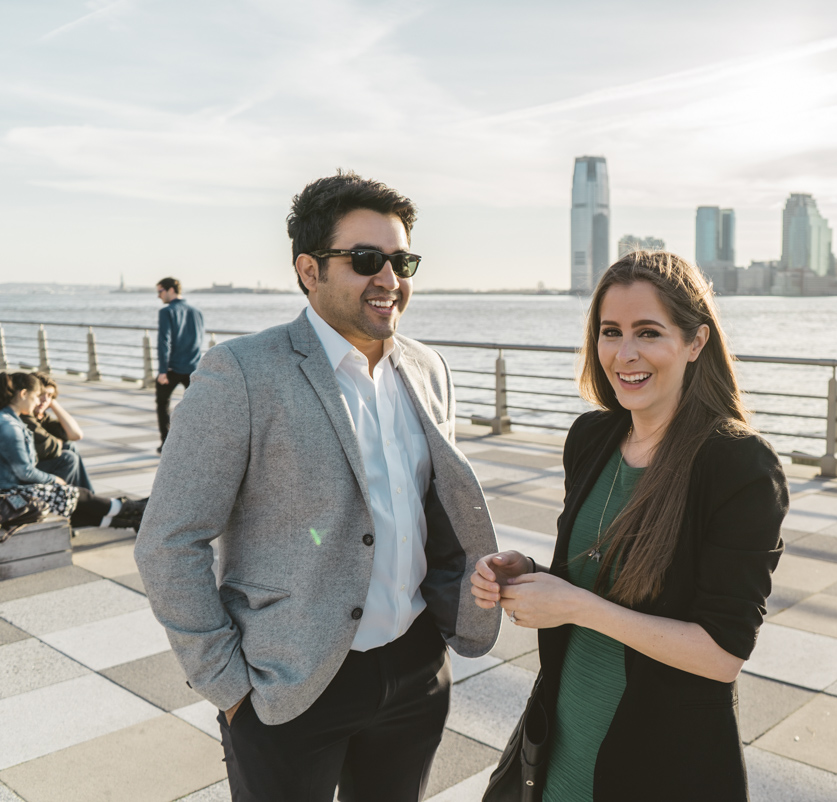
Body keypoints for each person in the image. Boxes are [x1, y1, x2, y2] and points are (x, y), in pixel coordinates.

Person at [134, 170, 501, 802]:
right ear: (309, 270)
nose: (389, 279)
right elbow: (168, 541)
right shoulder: (242, 373)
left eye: (401, 259)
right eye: (365, 260)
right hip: (288, 684)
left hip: (415, 668)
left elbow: (431, 516)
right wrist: (229, 686)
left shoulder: (428, 368)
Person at [471, 251, 788, 802]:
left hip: (659, 766)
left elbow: (722, 654)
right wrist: (528, 575)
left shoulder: (738, 466)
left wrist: (573, 606)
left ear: (695, 342)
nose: (625, 353)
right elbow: (602, 581)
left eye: (648, 332)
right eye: (610, 331)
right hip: (557, 751)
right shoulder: (591, 438)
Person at [1, 372, 145, 531]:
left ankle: (132, 518)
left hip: (13, 488)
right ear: (23, 394)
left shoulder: (11, 420)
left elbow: (74, 435)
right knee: (70, 496)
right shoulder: (10, 426)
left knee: (70, 497)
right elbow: (25, 472)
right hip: (11, 493)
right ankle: (136, 511)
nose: (37, 401)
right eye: (36, 396)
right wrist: (54, 479)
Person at [155, 276, 205, 451]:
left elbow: (164, 341)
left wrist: (162, 371)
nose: (158, 296)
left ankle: (166, 443)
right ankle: (197, 442)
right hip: (194, 367)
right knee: (197, 407)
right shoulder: (197, 312)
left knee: (163, 405)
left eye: (160, 291)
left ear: (171, 290)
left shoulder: (166, 312)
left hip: (172, 368)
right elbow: (200, 340)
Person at [21, 372, 93, 491]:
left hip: (31, 466)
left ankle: (86, 496)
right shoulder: (24, 416)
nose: (44, 399)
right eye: (41, 394)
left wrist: (53, 403)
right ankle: (81, 498)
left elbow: (76, 434)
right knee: (68, 458)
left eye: (49, 395)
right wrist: (58, 443)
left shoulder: (41, 417)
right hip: (21, 472)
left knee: (70, 446)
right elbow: (50, 446)